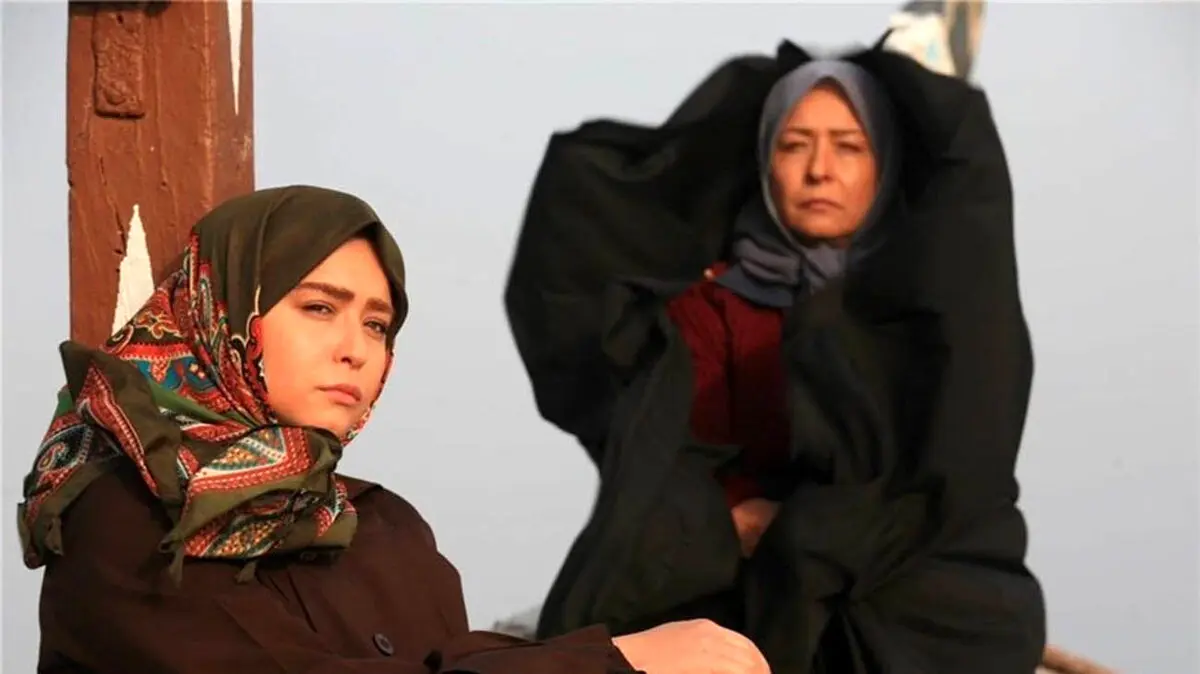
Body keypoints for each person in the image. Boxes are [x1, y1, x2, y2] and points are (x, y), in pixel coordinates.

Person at [16, 185, 772, 674]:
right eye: (319, 308)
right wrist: (616, 662)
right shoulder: (126, 516)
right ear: (222, 312)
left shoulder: (384, 529)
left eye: (377, 324)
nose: (355, 348)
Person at [505, 34, 1045, 674]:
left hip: (900, 579)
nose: (820, 170)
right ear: (765, 160)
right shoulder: (710, 307)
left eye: (849, 146)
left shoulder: (935, 315)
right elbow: (669, 461)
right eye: (794, 145)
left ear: (887, 163)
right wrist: (733, 516)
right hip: (735, 578)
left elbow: (958, 469)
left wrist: (824, 527)